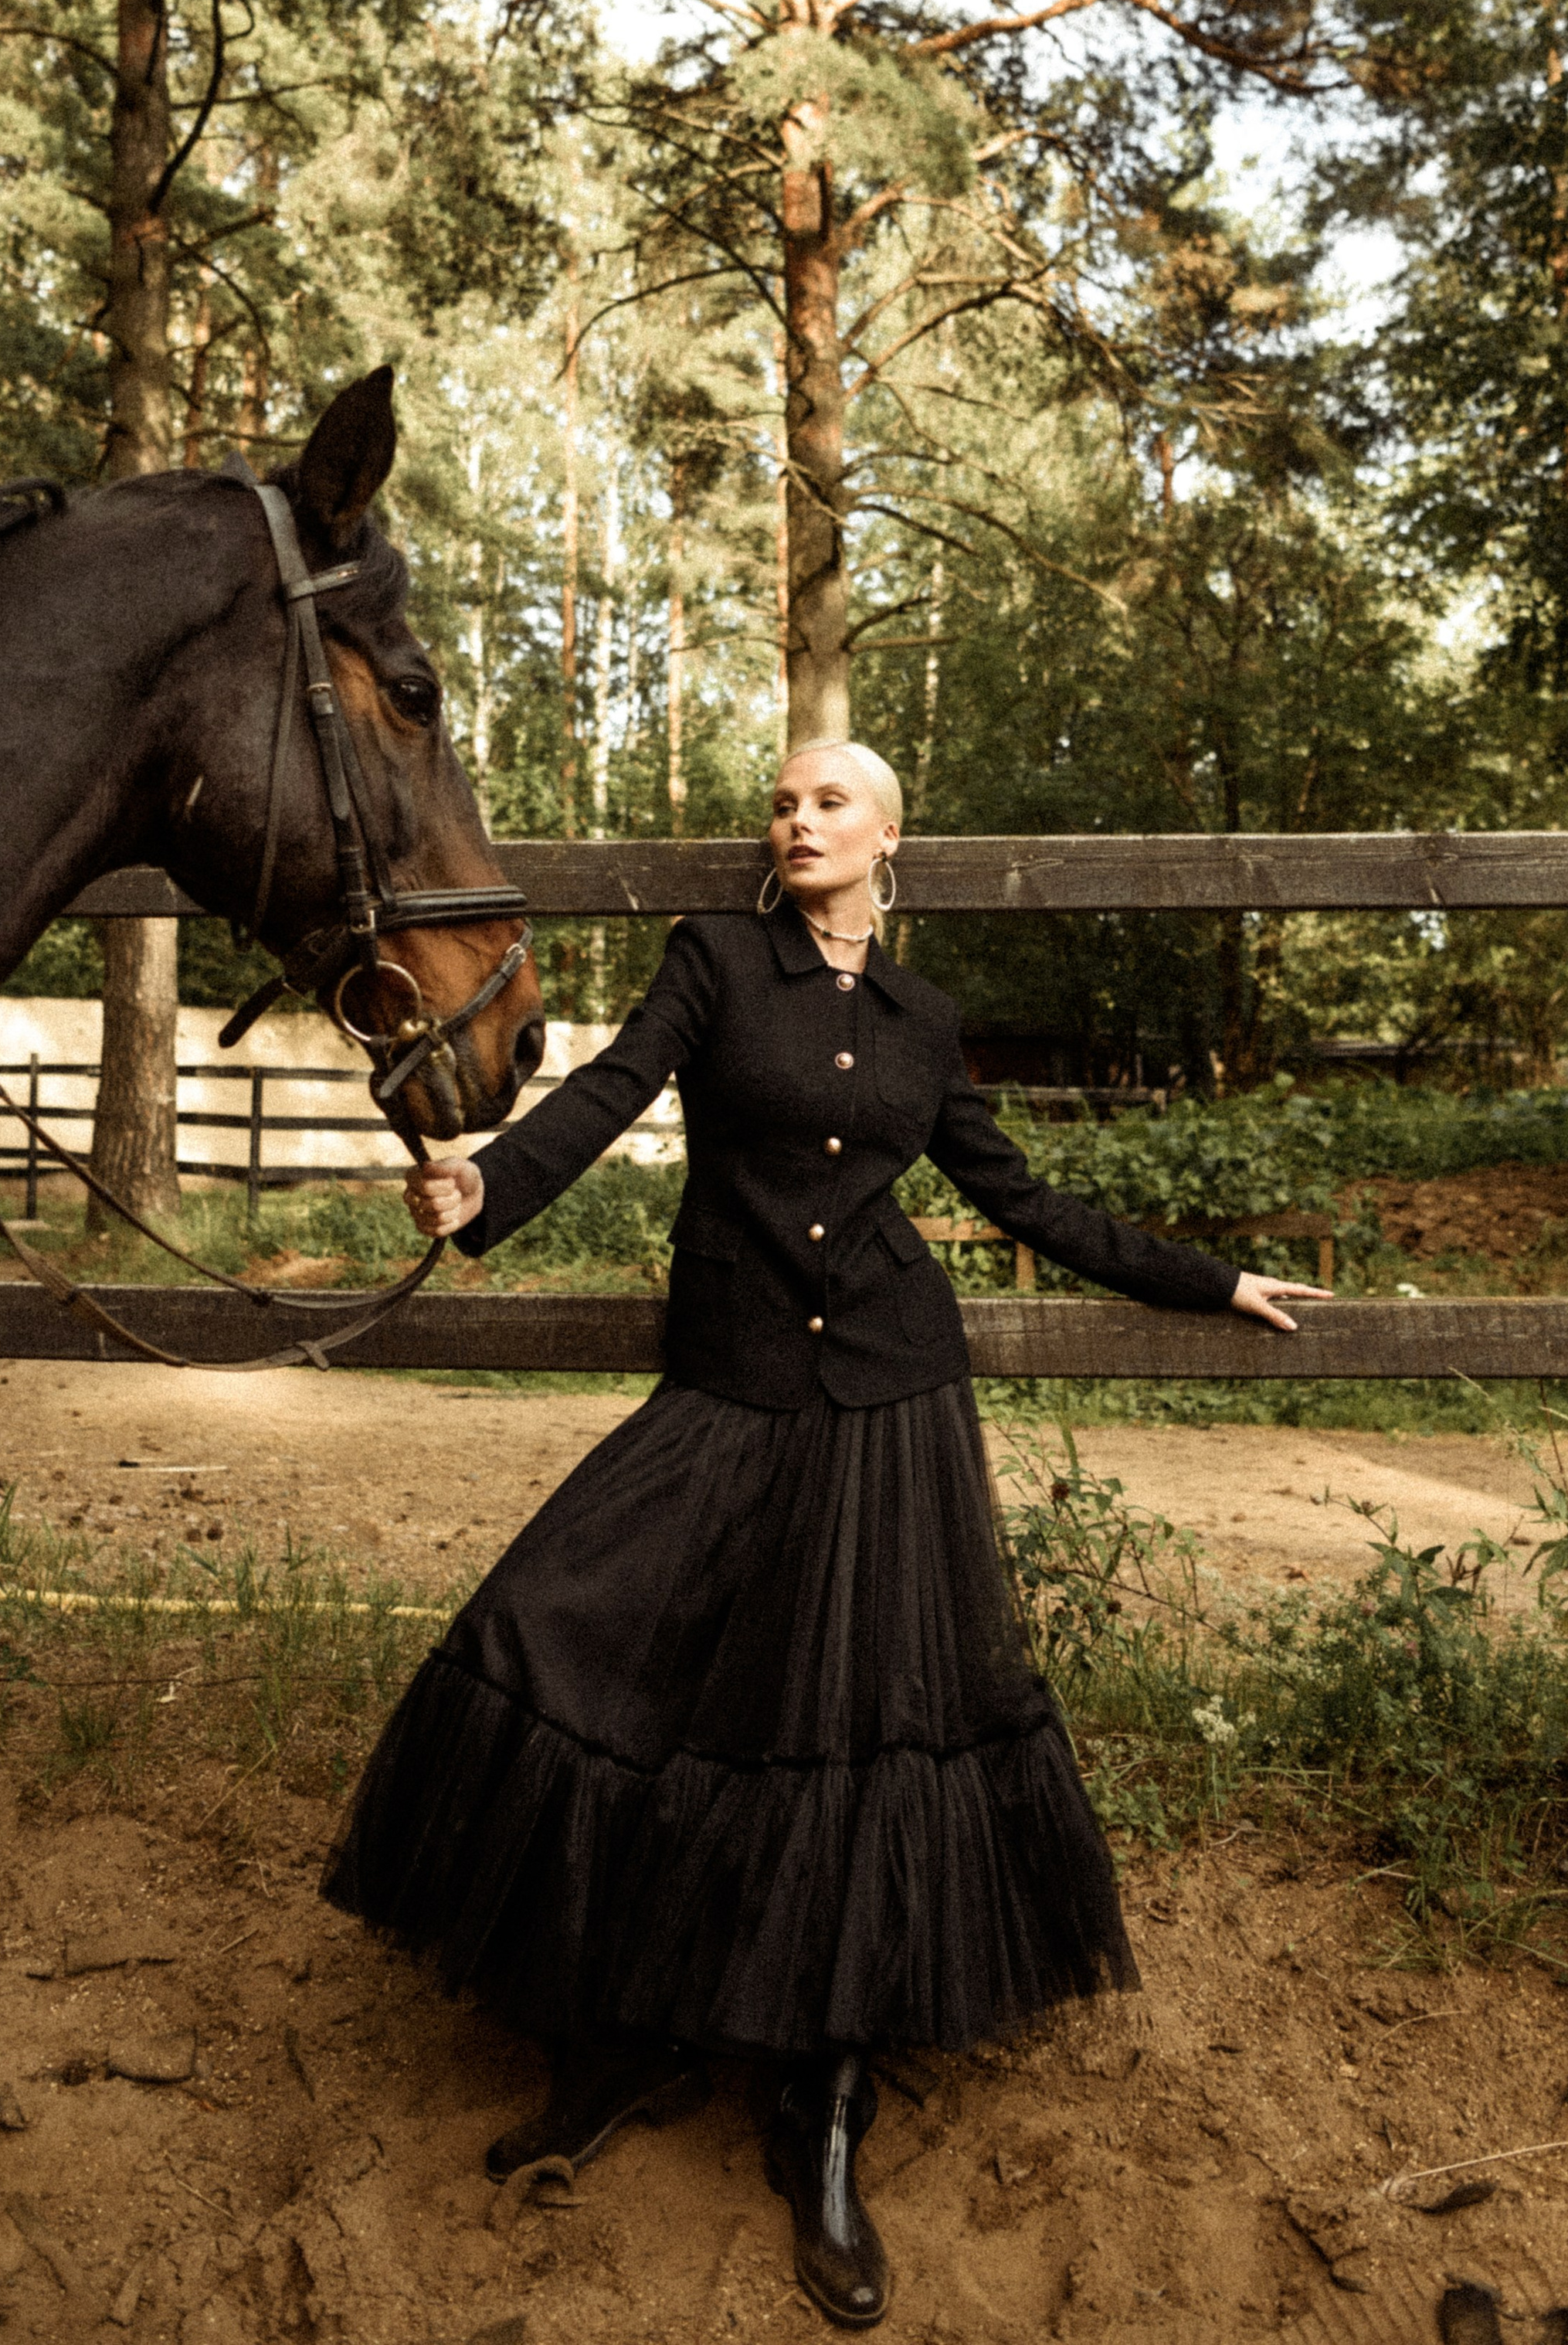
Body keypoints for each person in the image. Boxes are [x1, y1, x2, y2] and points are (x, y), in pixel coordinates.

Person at [321, 742, 1326, 2330]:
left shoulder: (924, 1022)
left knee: (851, 1740)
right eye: (781, 802)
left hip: (887, 1404)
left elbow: (1019, 1199)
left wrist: (1204, 1279)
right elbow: (606, 1090)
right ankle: (627, 2040)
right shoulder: (715, 959)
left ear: (887, 837)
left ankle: (824, 2109)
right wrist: (482, 1190)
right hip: (730, 1388)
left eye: (828, 801)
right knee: (560, 1637)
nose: (796, 819)